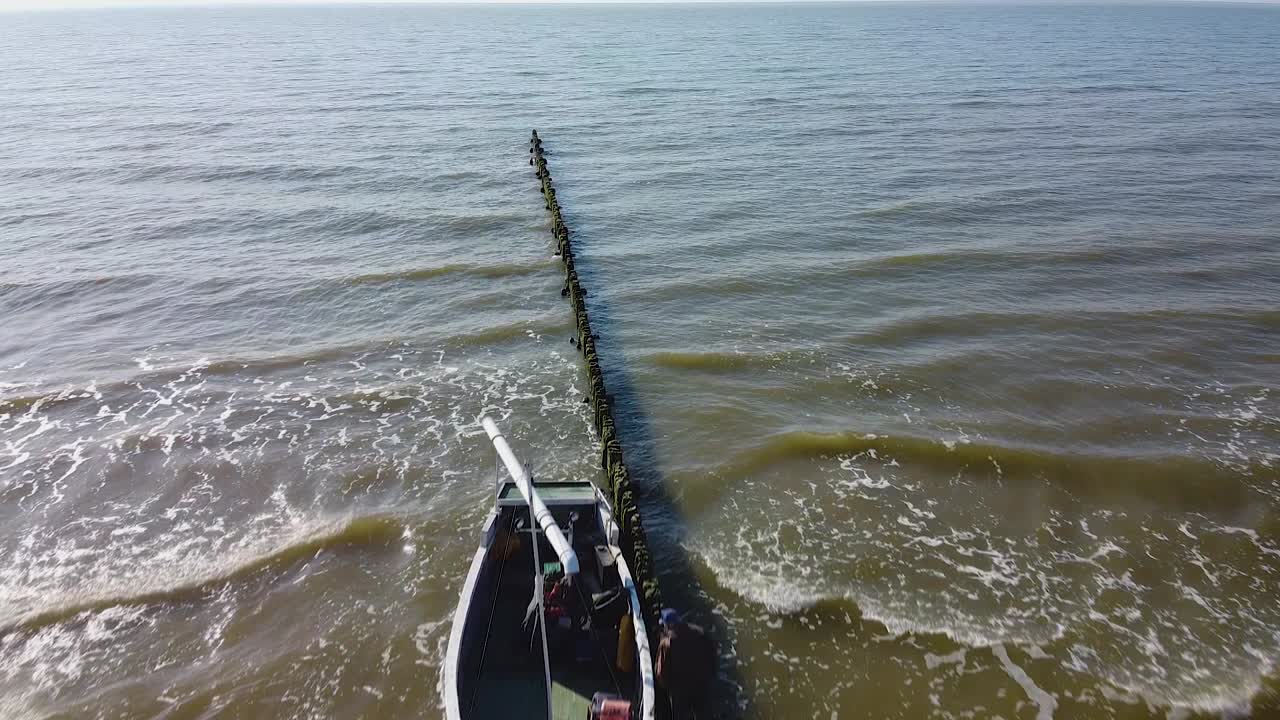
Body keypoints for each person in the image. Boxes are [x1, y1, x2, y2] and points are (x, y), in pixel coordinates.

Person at [655, 608, 717, 719]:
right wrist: (710, 675)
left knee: (680, 716)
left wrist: (667, 687)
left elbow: (661, 672)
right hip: (701, 684)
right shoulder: (700, 632)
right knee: (703, 714)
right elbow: (712, 655)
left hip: (679, 690)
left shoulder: (667, 643)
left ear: (668, 625)